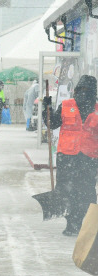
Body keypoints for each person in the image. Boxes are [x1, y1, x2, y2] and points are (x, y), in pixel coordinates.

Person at [42, 75, 98, 236]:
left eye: (87, 90)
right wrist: (48, 109)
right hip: (67, 157)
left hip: (89, 158)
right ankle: (72, 223)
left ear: (93, 92)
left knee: (87, 191)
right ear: (75, 90)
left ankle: (87, 224)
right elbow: (53, 123)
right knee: (66, 190)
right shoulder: (66, 105)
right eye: (80, 89)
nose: (83, 93)